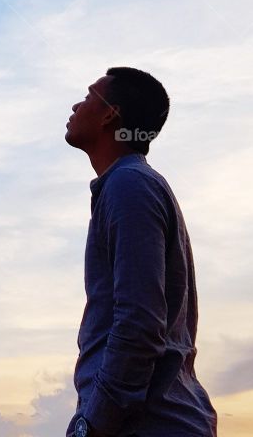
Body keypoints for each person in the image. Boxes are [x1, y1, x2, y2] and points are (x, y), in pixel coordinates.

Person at [63, 67, 218, 437]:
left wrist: (93, 423)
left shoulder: (128, 186)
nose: (75, 105)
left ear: (109, 114)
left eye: (87, 96)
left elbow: (139, 323)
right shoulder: (132, 185)